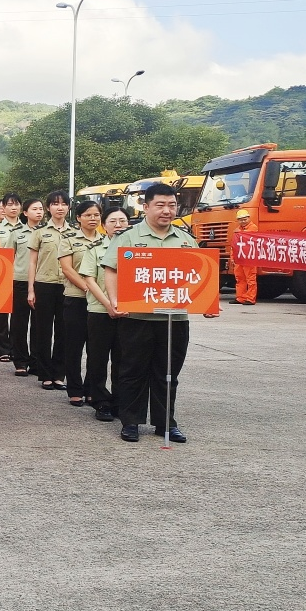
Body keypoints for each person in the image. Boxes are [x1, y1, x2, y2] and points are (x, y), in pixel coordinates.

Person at [103, 183, 213, 443]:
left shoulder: (186, 240)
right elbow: (110, 269)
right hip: (137, 318)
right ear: (146, 207)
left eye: (172, 205)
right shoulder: (128, 237)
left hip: (174, 319)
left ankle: (166, 423)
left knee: (168, 372)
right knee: (132, 371)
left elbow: (201, 276)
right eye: (160, 205)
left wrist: (207, 303)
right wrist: (115, 300)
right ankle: (131, 422)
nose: (167, 211)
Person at [81, 206, 130, 422]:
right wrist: (109, 304)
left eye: (122, 221)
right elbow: (89, 279)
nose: (118, 225)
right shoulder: (95, 249)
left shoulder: (137, 249)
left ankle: (120, 401)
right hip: (100, 311)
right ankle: (100, 400)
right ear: (104, 225)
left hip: (130, 313)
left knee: (124, 359)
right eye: (113, 221)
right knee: (98, 358)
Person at [57, 200, 103, 407]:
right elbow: (67, 269)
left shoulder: (106, 240)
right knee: (74, 347)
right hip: (76, 299)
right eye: (88, 215)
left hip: (100, 304)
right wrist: (88, 288)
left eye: (96, 215)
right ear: (78, 218)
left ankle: (91, 388)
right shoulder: (69, 239)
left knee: (96, 348)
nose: (93, 219)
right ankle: (74, 390)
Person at [27, 191, 74, 391]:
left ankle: (58, 374)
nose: (60, 207)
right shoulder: (39, 232)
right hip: (44, 284)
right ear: (48, 208)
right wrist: (31, 289)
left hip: (67, 286)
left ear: (68, 208)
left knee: (64, 331)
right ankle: (45, 374)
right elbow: (32, 262)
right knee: (43, 330)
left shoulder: (74, 233)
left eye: (63, 204)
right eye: (55, 204)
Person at [7, 199, 44, 377]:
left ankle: (36, 361)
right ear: (26, 213)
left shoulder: (47, 232)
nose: (39, 212)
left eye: (41, 209)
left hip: (42, 281)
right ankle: (20, 360)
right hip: (20, 280)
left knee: (39, 324)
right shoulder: (17, 233)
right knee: (19, 323)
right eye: (34, 209)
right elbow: (8, 257)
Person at [0, 193, 23, 360]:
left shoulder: (27, 229)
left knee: (18, 317)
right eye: (9, 205)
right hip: (1, 276)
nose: (13, 208)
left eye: (16, 205)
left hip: (20, 276)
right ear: (3, 208)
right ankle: (3, 349)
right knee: (0, 316)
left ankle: (17, 348)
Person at [231, 209, 258, 304]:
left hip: (249, 258)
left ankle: (250, 299)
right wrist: (232, 258)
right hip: (239, 258)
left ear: (249, 218)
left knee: (250, 279)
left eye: (244, 219)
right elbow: (233, 246)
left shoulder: (253, 228)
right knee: (240, 278)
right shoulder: (237, 230)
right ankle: (240, 297)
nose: (243, 221)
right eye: (240, 219)